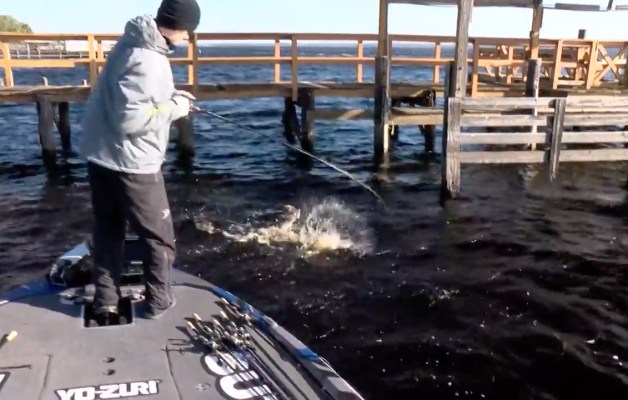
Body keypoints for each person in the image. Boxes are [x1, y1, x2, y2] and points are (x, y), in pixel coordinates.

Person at [79, 0, 201, 325]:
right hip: (133, 164)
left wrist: (172, 99)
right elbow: (131, 120)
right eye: (189, 32)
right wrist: (176, 108)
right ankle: (159, 302)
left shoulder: (131, 42)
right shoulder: (150, 59)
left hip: (102, 156)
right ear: (180, 27)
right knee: (158, 237)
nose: (188, 38)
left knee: (108, 231)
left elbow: (132, 99)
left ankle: (106, 301)